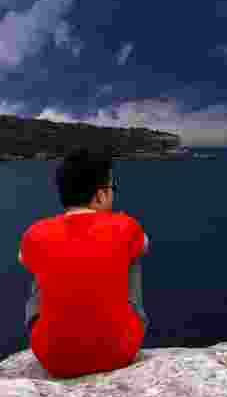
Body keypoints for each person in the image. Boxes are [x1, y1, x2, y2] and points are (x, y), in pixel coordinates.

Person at [19, 147, 150, 378]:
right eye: (111, 188)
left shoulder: (36, 231)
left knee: (39, 263)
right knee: (133, 255)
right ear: (100, 195)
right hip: (119, 353)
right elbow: (145, 245)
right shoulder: (126, 226)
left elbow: (22, 259)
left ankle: (59, 332)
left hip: (53, 358)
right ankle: (115, 328)